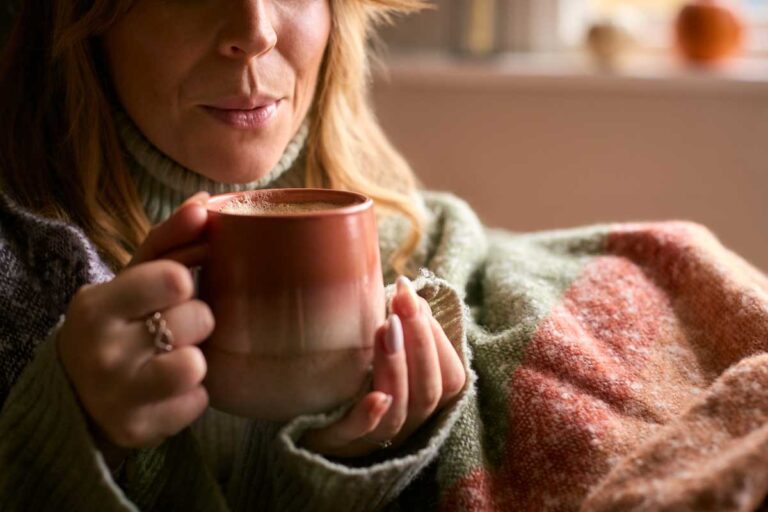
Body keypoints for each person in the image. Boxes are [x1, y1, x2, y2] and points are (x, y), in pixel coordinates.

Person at [1, 1, 768, 511]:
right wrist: (64, 433)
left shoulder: (424, 255)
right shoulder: (21, 286)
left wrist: (346, 465)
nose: (255, 29)